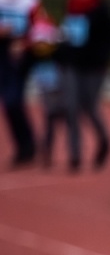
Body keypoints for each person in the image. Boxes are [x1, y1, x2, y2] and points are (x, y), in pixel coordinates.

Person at [56, 0, 110, 172]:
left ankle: (104, 139)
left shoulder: (102, 9)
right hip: (71, 64)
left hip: (93, 67)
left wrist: (100, 55)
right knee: (71, 107)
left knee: (89, 107)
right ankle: (74, 154)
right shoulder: (70, 6)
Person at [0, 0, 41, 168]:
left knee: (14, 99)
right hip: (2, 51)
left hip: (21, 54)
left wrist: (23, 42)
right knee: (8, 101)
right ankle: (23, 145)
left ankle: (28, 144)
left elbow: (39, 26)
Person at [29, 14, 67, 168]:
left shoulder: (59, 55)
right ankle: (47, 151)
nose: (41, 46)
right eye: (38, 43)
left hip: (60, 92)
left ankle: (72, 150)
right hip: (46, 93)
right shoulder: (33, 56)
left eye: (44, 42)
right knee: (49, 119)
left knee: (64, 117)